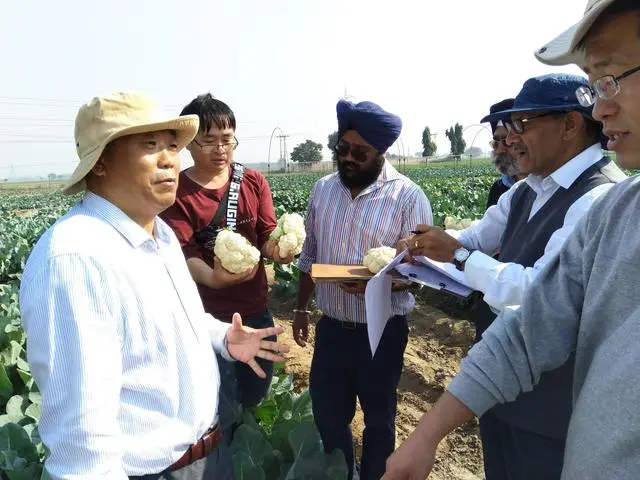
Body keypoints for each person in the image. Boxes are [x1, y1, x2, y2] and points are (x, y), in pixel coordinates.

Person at [382, 1, 640, 479]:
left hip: (547, 415)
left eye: (611, 78)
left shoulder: (594, 198)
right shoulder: (607, 209)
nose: (602, 105)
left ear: (568, 126)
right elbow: (535, 324)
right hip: (508, 398)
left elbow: (527, 294)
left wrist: (458, 254)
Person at [19, 91, 290, 480]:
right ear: (99, 164)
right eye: (150, 145)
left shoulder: (158, 233)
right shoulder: (77, 258)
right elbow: (82, 444)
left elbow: (175, 320)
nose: (169, 158)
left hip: (209, 456)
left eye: (172, 145)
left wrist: (221, 338)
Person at [293, 99, 433, 480]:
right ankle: (343, 473)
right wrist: (302, 309)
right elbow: (310, 256)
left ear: (380, 153)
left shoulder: (408, 197)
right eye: (342, 149)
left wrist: (382, 283)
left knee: (379, 421)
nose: (349, 158)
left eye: (360, 152)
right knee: (326, 413)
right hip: (334, 327)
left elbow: (422, 273)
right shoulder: (322, 190)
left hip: (382, 332)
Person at [160, 93, 293, 436]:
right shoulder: (177, 192)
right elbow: (185, 253)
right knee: (218, 405)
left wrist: (277, 250)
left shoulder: (252, 182)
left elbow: (265, 231)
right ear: (189, 143)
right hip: (205, 318)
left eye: (227, 139)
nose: (221, 149)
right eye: (209, 141)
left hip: (254, 311)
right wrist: (214, 280)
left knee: (254, 393)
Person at [484, 98, 526, 209]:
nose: (501, 149)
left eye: (507, 141)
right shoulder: (498, 190)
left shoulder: (546, 187)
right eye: (497, 142)